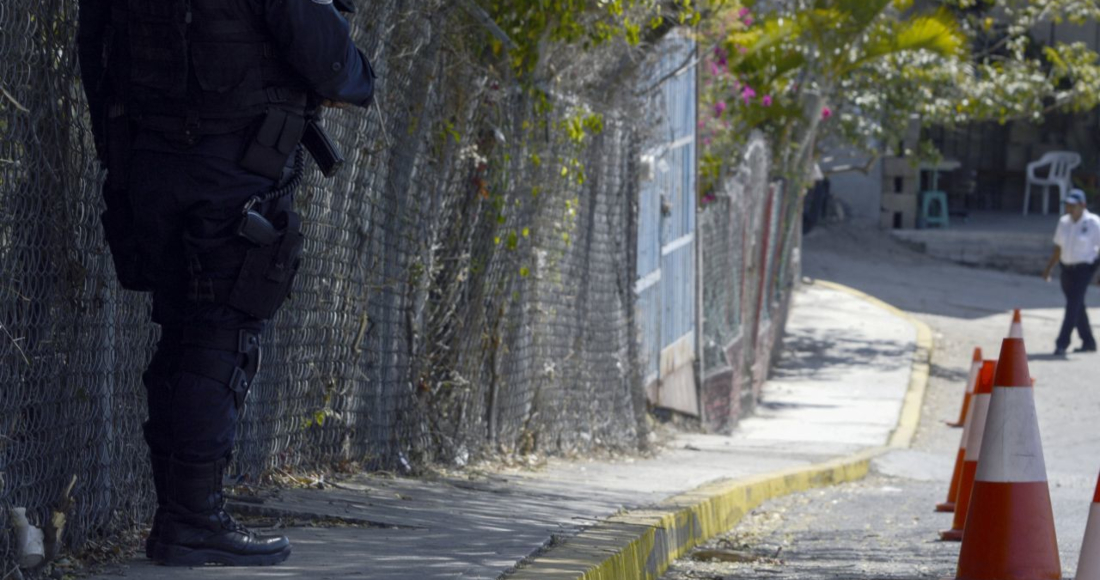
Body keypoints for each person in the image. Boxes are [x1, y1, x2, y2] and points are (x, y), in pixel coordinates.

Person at [76, 0, 374, 566]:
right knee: (218, 338)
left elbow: (95, 55)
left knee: (185, 333)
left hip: (149, 165)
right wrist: (354, 76)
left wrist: (120, 154)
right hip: (234, 167)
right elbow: (329, 59)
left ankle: (182, 518)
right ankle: (192, 521)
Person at [1042, 189, 1100, 356]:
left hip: (1085, 269)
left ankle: (1062, 343)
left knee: (1072, 305)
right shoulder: (1064, 222)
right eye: (1068, 205)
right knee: (1077, 305)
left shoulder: (1094, 223)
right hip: (1066, 268)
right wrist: (1048, 268)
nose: (1070, 208)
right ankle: (1088, 341)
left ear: (1083, 205)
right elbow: (1058, 248)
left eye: (1073, 205)